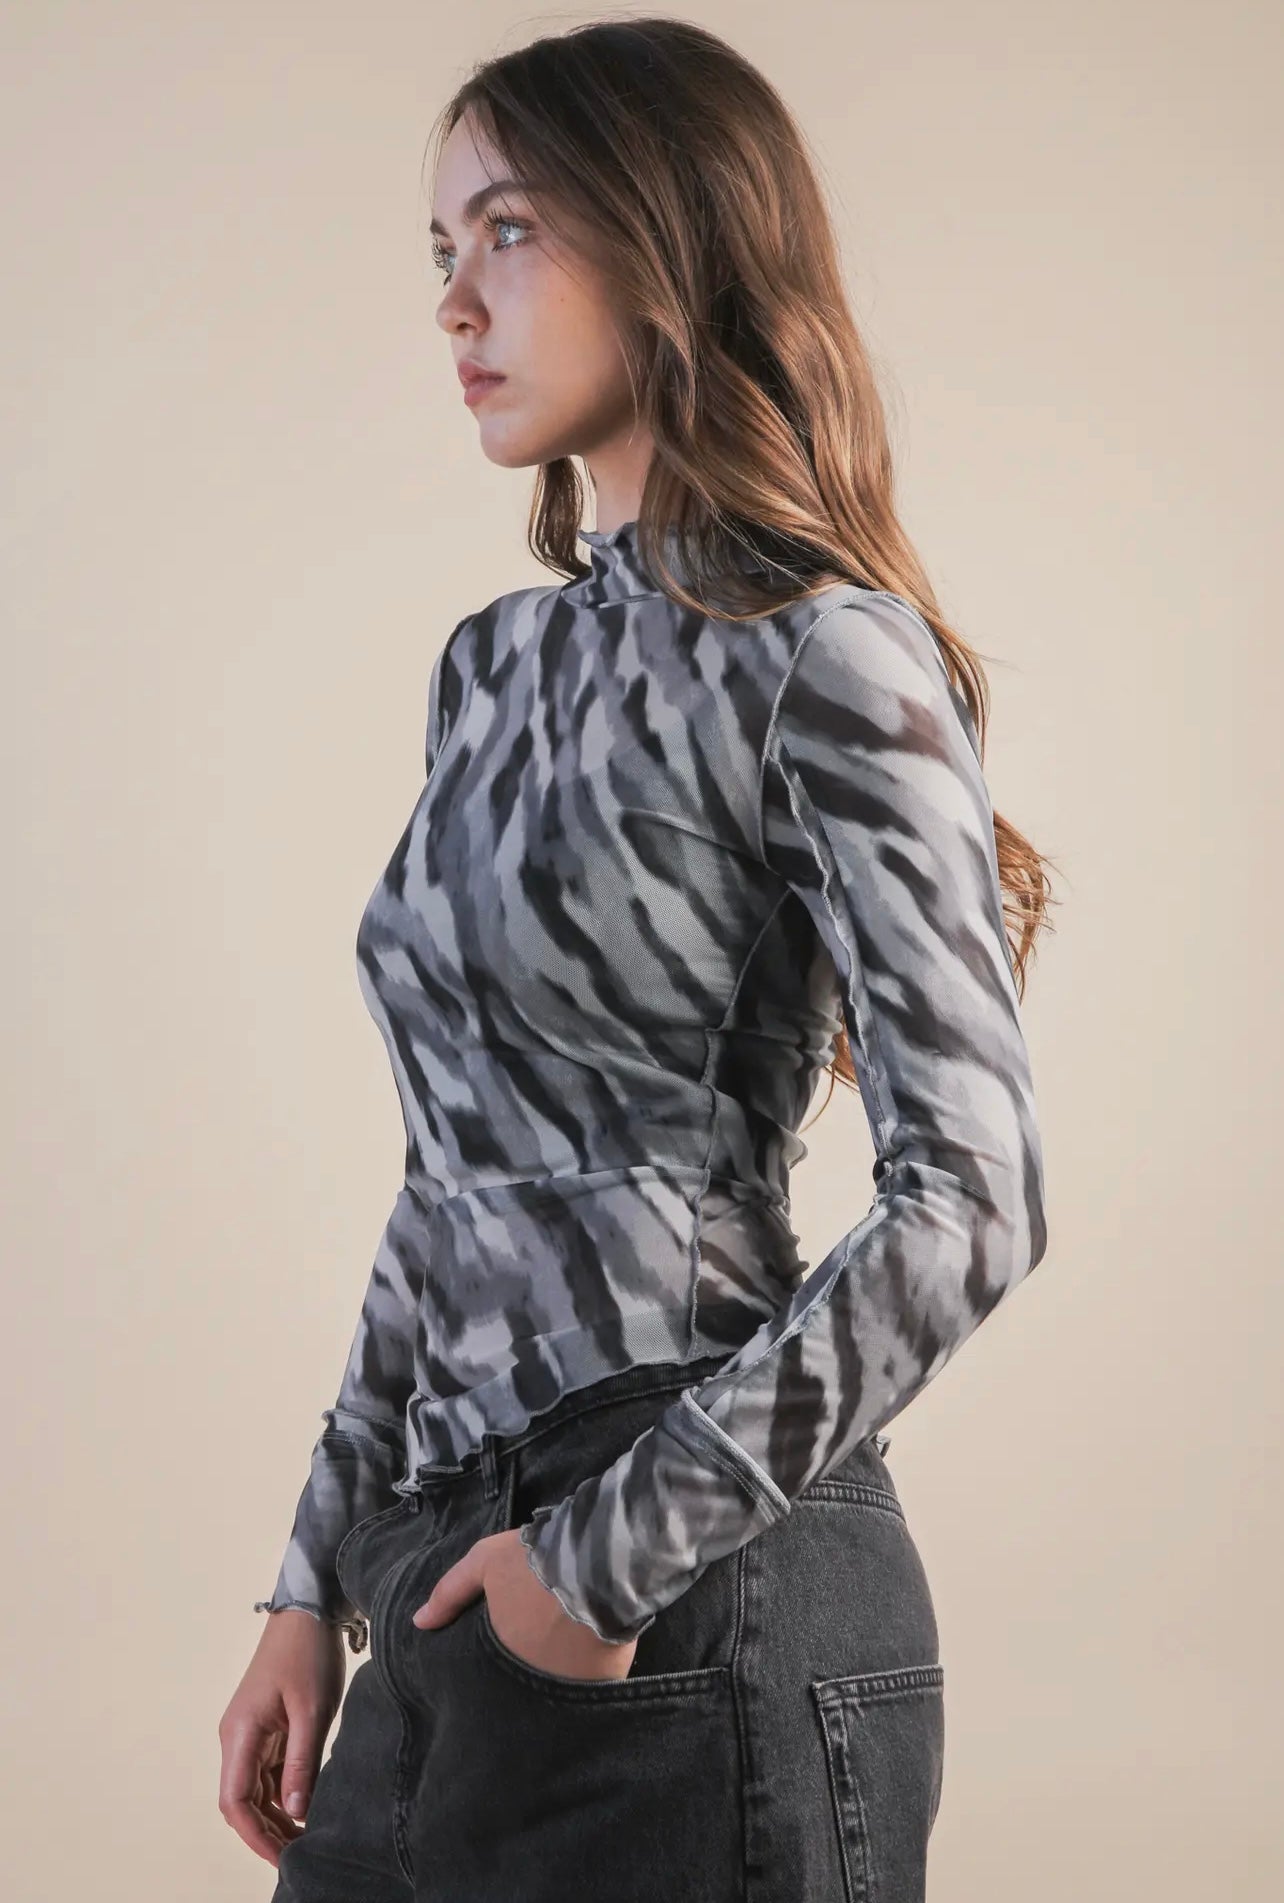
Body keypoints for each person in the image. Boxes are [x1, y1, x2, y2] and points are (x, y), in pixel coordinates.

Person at [218, 18, 1053, 1901]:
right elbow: (452, 1177)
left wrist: (603, 1565)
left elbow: (977, 1199)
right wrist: (308, 1583)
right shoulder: (490, 672)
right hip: (451, 1568)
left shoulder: (827, 653)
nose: (456, 301)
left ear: (675, 239)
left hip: (690, 1581)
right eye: (441, 249)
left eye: (509, 231)